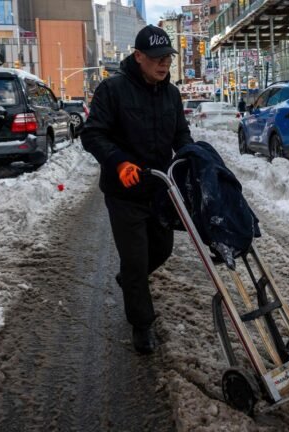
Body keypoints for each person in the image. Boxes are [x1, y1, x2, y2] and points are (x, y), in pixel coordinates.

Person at [81, 25, 193, 354]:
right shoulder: (112, 90)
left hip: (160, 189)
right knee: (134, 259)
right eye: (157, 58)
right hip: (125, 191)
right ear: (139, 56)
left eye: (168, 58)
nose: (164, 64)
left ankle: (131, 281)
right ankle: (142, 325)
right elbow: (92, 134)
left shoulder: (172, 94)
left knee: (161, 250)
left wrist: (189, 156)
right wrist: (118, 161)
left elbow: (181, 135)